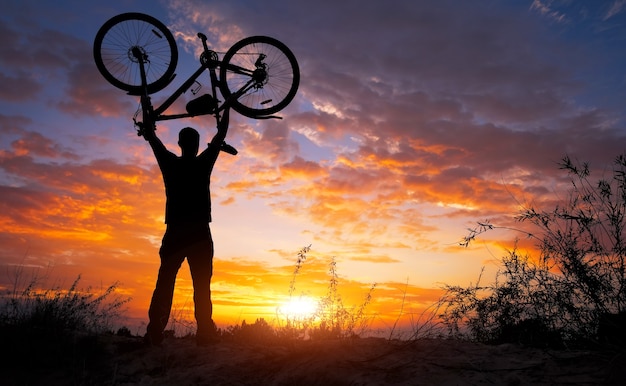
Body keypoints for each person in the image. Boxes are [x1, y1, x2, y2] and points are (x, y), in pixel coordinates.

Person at [141, 108, 231, 347]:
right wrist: (228, 106)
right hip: (200, 233)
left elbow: (152, 138)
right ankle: (205, 333)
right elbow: (221, 134)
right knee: (201, 286)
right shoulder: (203, 163)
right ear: (198, 145)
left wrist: (148, 121)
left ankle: (155, 333)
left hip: (176, 233)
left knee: (165, 283)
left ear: (180, 143)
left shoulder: (170, 164)